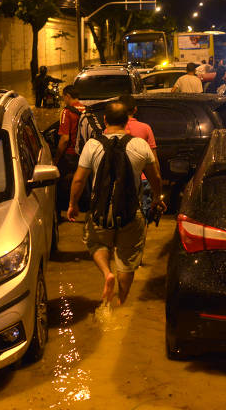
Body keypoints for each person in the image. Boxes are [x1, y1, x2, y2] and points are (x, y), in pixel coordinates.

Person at [67, 102, 166, 305]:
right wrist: (157, 197)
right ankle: (121, 302)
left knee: (96, 242)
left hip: (100, 212)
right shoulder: (140, 145)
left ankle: (106, 273)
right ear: (127, 120)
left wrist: (72, 204)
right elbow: (155, 177)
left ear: (105, 120)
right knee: (127, 261)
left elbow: (79, 180)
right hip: (132, 212)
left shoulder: (93, 145)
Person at [117, 94, 158, 220]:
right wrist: (157, 180)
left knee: (122, 213)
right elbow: (153, 158)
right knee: (143, 212)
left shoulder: (113, 129)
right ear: (135, 109)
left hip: (120, 177)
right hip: (143, 177)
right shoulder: (145, 128)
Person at [54, 85, 85, 216]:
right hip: (83, 153)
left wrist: (56, 158)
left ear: (67, 96)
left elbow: (65, 138)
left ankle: (66, 208)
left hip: (70, 154)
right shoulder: (85, 110)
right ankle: (82, 205)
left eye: (63, 97)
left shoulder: (67, 112)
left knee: (63, 182)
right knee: (81, 179)